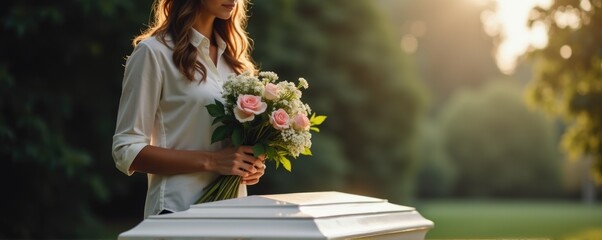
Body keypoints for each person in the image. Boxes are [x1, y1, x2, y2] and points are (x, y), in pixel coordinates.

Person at [112, 0, 265, 218]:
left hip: (234, 214)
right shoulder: (153, 52)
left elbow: (233, 147)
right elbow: (126, 150)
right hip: (177, 211)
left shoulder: (235, 63)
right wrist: (213, 161)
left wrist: (250, 164)